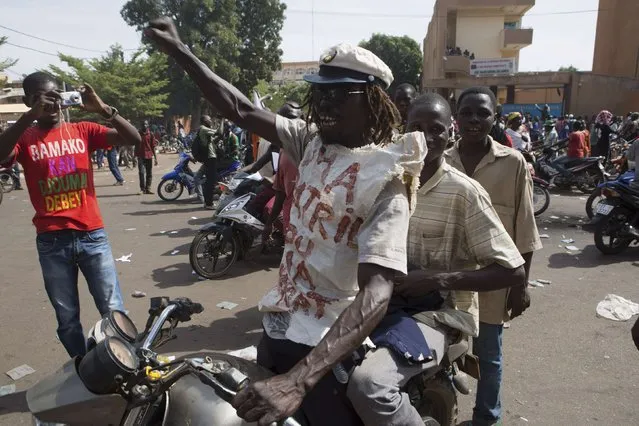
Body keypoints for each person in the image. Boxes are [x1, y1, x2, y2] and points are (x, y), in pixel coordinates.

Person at [146, 18, 428, 425]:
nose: (325, 104)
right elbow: (240, 107)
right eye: (320, 93)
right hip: (278, 329)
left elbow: (377, 292)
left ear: (371, 100)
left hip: (325, 353)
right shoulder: (309, 141)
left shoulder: (386, 179)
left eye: (339, 94)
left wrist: (299, 381)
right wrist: (181, 52)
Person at [348, 93, 527, 425]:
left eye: (437, 129)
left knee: (369, 385)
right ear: (404, 130)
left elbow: (513, 270)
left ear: (450, 133)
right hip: (376, 301)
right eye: (416, 127)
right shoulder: (384, 181)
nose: (426, 137)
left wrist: (436, 279)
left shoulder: (465, 192)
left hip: (437, 315)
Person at [0, 72, 141, 358]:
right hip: (52, 241)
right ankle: (83, 367)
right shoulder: (25, 138)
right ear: (29, 101)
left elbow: (134, 138)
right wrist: (29, 117)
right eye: (42, 98)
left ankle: (126, 362)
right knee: (67, 320)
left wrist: (103, 109)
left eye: (56, 96)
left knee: (114, 309)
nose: (52, 104)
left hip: (92, 235)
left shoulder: (83, 130)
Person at [443, 86, 542, 426]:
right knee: (441, 353)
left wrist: (521, 284)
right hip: (448, 279)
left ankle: (487, 418)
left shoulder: (513, 163)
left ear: (494, 117)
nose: (473, 119)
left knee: (489, 355)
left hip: (493, 280)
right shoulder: (442, 160)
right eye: (466, 112)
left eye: (482, 113)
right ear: (456, 117)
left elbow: (524, 230)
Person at [262, 102, 303, 241]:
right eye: (284, 121)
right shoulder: (282, 151)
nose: (290, 124)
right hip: (291, 227)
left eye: (294, 119)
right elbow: (280, 193)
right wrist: (269, 224)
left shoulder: (316, 149)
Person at [197, 115, 222, 209]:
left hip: (210, 157)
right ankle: (209, 204)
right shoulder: (203, 129)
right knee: (210, 182)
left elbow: (214, 140)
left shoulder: (205, 130)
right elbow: (220, 132)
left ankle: (208, 202)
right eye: (209, 119)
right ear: (204, 121)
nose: (211, 121)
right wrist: (222, 120)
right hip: (210, 158)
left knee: (210, 181)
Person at [136, 120, 158, 194]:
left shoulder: (151, 134)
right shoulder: (138, 133)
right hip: (141, 156)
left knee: (149, 173)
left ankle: (148, 188)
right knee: (141, 173)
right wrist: (134, 156)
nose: (144, 126)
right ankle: (142, 189)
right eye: (143, 124)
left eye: (145, 124)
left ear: (148, 125)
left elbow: (153, 146)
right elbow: (135, 144)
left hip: (149, 155)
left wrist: (155, 158)